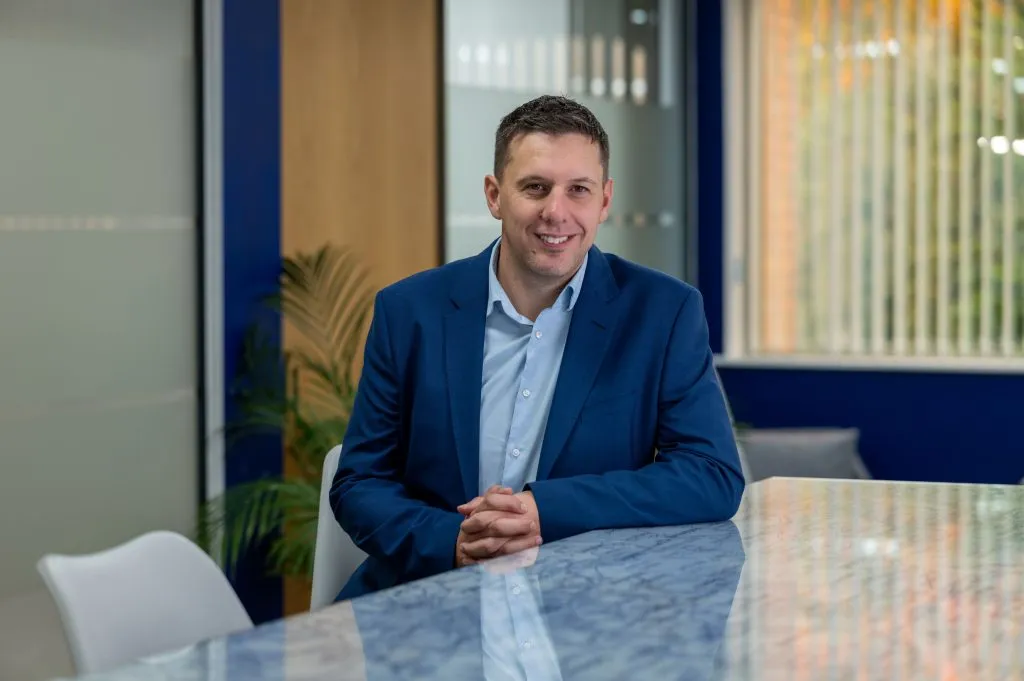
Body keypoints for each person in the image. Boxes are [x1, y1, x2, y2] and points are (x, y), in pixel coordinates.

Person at [330, 94, 744, 600]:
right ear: (494, 195)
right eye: (535, 187)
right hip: (424, 596)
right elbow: (360, 482)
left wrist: (542, 508)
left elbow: (711, 475)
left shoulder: (663, 312)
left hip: (586, 606)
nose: (556, 212)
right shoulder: (409, 311)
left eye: (578, 190)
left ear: (604, 201)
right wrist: (453, 541)